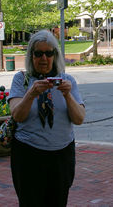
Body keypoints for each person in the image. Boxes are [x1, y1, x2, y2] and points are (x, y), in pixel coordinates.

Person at [8, 30, 86, 207]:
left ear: (55, 55)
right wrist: (32, 93)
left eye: (49, 53)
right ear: (31, 56)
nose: (44, 58)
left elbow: (79, 119)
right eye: (38, 53)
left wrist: (67, 95)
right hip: (29, 155)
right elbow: (17, 115)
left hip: (62, 155)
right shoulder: (22, 80)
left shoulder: (67, 81)